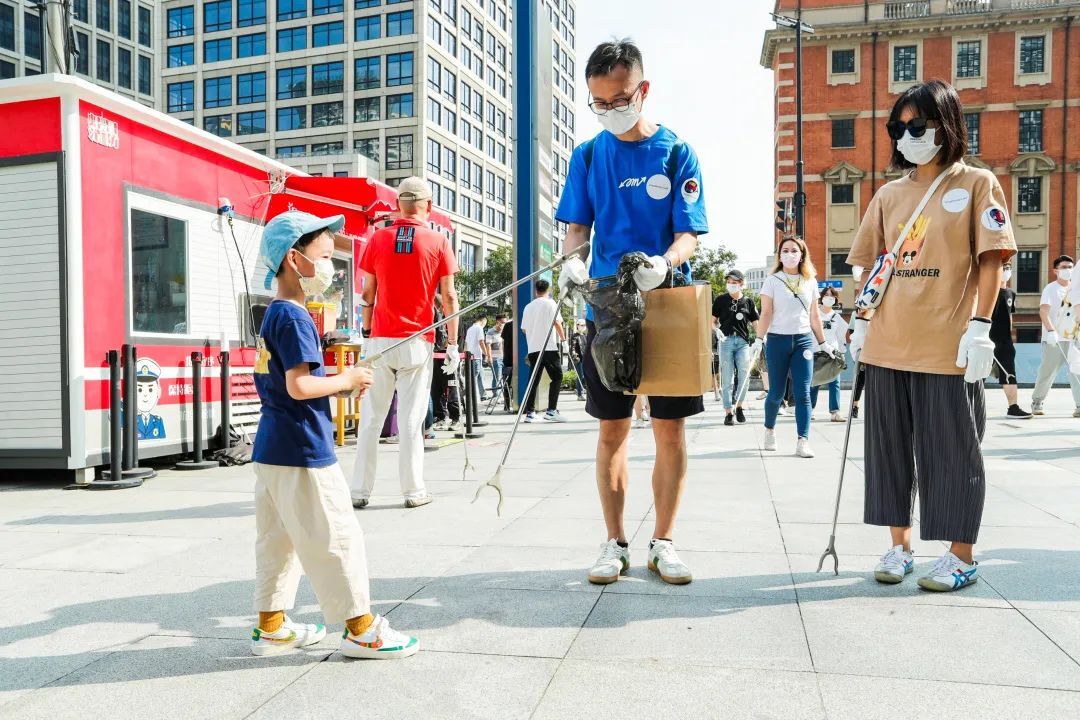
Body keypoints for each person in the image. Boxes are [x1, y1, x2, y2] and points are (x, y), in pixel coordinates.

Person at [848, 80, 1015, 592]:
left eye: (917, 125)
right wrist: (859, 320)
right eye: (898, 128)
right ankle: (899, 547)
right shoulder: (889, 193)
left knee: (952, 453)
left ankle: (960, 554)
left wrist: (982, 326)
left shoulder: (978, 183)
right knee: (889, 451)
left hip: (949, 344)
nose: (907, 136)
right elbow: (868, 264)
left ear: (946, 125)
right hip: (887, 344)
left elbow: (992, 261)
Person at [556, 40, 708, 586]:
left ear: (642, 90)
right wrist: (573, 265)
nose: (609, 109)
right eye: (598, 102)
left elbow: (689, 232)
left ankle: (663, 541)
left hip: (667, 302)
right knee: (611, 431)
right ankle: (614, 542)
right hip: (608, 305)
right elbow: (577, 228)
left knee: (669, 430)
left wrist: (665, 264)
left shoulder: (676, 152)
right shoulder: (589, 155)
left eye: (619, 98)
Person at [249, 210, 417, 659]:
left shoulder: (274, 313)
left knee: (278, 541)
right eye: (324, 255)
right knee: (337, 537)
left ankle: (272, 625)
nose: (330, 266)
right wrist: (348, 380)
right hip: (302, 449)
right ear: (293, 259)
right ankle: (361, 630)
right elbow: (300, 386)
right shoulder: (296, 318)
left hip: (272, 447)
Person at [351, 177, 460, 510]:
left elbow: (367, 294)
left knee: (371, 418)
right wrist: (453, 343)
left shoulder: (377, 238)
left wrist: (368, 333)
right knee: (412, 420)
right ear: (429, 205)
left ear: (398, 204)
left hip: (380, 339)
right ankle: (413, 491)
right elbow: (449, 297)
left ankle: (359, 491)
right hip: (417, 340)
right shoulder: (439, 241)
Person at [757, 237, 831, 458]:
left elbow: (814, 315)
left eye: (794, 250)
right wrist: (759, 339)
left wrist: (823, 342)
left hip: (803, 341)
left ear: (802, 254)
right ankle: (769, 429)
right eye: (785, 250)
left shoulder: (810, 280)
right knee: (776, 393)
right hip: (777, 340)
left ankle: (803, 440)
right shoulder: (772, 280)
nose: (789, 254)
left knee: (803, 392)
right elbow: (766, 312)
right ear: (780, 255)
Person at [1031, 255, 1080, 417]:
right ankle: (1037, 402)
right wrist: (1051, 331)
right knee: (1047, 371)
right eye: (1064, 267)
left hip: (1074, 338)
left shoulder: (1076, 288)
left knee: (1076, 372)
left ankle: (1079, 406)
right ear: (1055, 271)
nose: (1068, 270)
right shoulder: (1050, 289)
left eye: (1070, 267)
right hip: (1054, 339)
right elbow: (1043, 311)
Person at [712, 269, 761, 426]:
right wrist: (716, 330)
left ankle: (739, 406)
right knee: (727, 378)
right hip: (725, 341)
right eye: (729, 282)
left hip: (742, 342)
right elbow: (711, 321)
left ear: (741, 284)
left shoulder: (748, 302)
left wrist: (759, 339)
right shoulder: (720, 300)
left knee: (744, 375)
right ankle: (728, 412)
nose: (731, 285)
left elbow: (755, 323)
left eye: (734, 283)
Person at [521, 279, 567, 423]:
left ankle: (530, 413)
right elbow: (557, 322)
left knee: (533, 380)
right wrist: (564, 341)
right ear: (548, 290)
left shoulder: (528, 307)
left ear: (536, 290)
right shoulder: (550, 303)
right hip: (548, 347)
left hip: (533, 348)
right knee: (557, 377)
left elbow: (524, 329)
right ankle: (551, 411)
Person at [990, 262, 1032, 418]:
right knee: (976, 375)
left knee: (1010, 374)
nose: (1007, 271)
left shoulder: (1010, 293)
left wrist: (1010, 339)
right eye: (1003, 268)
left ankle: (1013, 407)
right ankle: (970, 406)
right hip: (988, 340)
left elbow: (1009, 316)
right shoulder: (987, 291)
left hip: (1005, 342)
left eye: (1008, 268)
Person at [810, 286, 848, 423]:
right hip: (816, 352)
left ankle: (835, 412)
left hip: (832, 354)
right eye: (826, 295)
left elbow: (842, 336)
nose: (828, 298)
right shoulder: (814, 314)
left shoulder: (837, 317)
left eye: (832, 296)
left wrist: (842, 352)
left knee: (834, 382)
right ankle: (810, 410)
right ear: (821, 297)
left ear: (835, 299)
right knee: (814, 382)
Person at [430, 297, 461, 431]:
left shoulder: (455, 318)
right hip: (436, 356)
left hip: (451, 355)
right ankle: (440, 417)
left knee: (452, 387)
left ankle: (456, 418)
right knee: (436, 388)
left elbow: (459, 336)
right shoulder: (434, 316)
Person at [465, 316, 490, 402]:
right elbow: (481, 341)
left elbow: (466, 343)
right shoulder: (479, 328)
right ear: (483, 321)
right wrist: (486, 353)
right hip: (477, 356)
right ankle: (472, 398)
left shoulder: (470, 329)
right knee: (474, 378)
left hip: (470, 356)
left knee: (480, 376)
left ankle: (483, 395)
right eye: (485, 324)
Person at [487, 315, 507, 399]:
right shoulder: (490, 332)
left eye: (505, 322)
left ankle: (503, 395)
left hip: (504, 357)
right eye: (502, 322)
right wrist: (489, 357)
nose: (504, 324)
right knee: (497, 376)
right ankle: (495, 394)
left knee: (504, 377)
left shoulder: (505, 331)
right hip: (495, 358)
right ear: (497, 322)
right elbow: (488, 345)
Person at [570, 318, 588, 400]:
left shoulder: (584, 336)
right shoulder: (575, 336)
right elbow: (572, 348)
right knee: (580, 376)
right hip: (579, 360)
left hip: (585, 359)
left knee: (585, 376)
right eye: (582, 325)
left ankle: (581, 392)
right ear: (577, 326)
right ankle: (580, 395)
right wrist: (575, 356)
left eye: (584, 325)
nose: (583, 327)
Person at [500, 316, 515, 412]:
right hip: (520, 358)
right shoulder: (522, 324)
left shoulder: (508, 325)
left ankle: (506, 405)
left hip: (508, 358)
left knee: (506, 382)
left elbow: (503, 340)